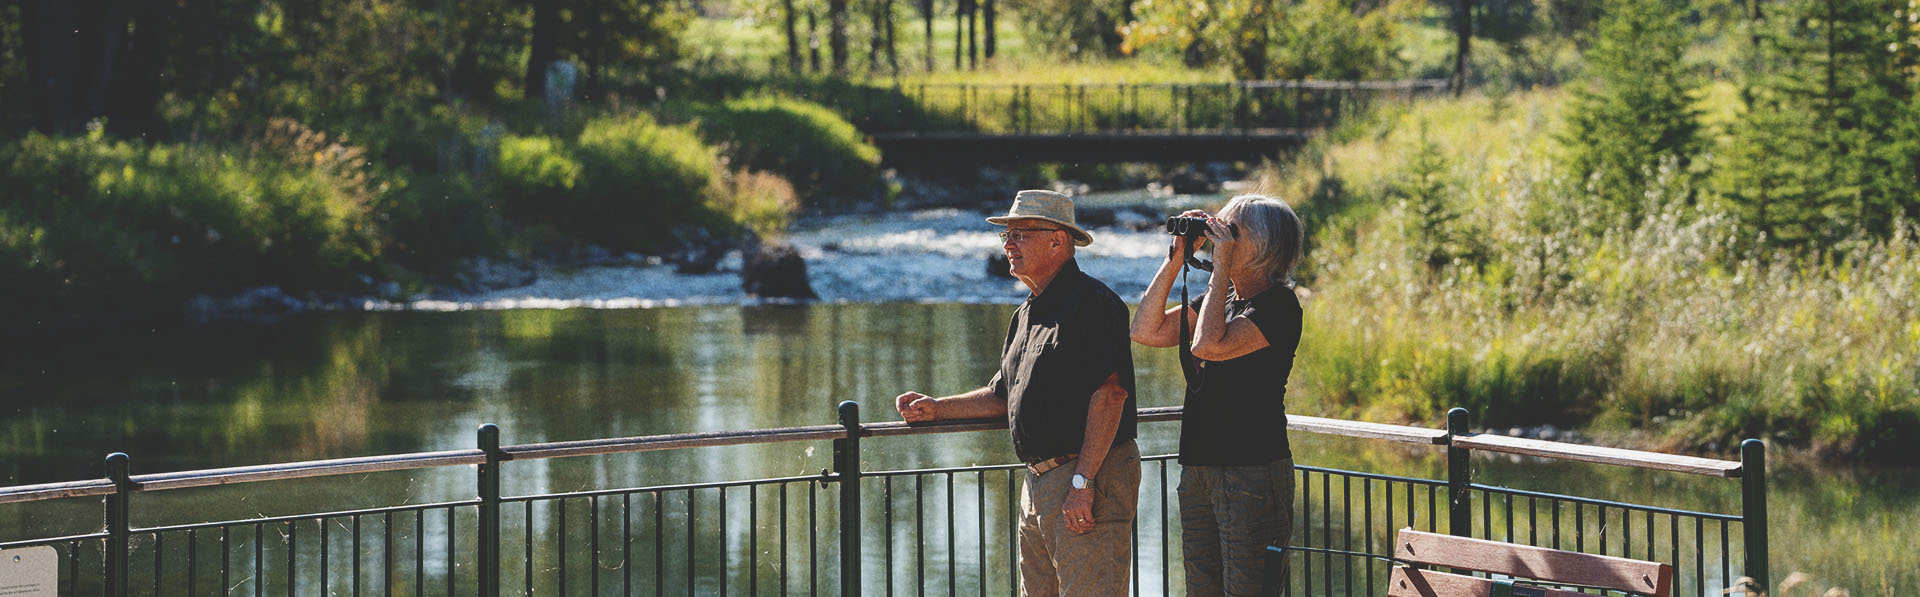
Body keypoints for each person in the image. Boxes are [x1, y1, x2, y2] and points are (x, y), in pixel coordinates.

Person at [895, 189, 1141, 597]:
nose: (1009, 245)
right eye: (1006, 236)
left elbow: (1111, 395)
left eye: (1021, 234)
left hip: (1086, 476)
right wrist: (937, 408)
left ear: (1058, 240)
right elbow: (1003, 396)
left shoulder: (1093, 303)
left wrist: (1082, 483)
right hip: (1041, 482)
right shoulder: (1027, 312)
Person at [1129, 195, 1304, 596]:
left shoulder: (1279, 305)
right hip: (1200, 470)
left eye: (1228, 231)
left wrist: (1219, 267)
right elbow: (1145, 330)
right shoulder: (1220, 298)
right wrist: (1176, 259)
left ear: (1261, 246)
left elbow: (1207, 345)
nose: (1214, 237)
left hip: (1252, 472)